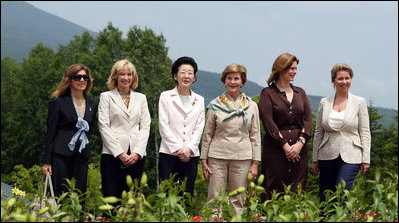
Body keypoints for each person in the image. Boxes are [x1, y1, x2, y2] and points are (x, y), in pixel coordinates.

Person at [200, 63, 261, 216]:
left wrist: (255, 163)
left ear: (242, 81)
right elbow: (207, 134)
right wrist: (203, 160)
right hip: (217, 157)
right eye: (229, 78)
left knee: (238, 200)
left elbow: (255, 136)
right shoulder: (215, 105)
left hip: (243, 157)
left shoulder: (251, 106)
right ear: (224, 80)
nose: (233, 82)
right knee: (214, 199)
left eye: (236, 79)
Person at [311, 63, 371, 202]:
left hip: (352, 154)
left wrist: (366, 159)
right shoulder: (324, 102)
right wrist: (315, 158)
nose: (344, 82)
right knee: (326, 195)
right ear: (333, 81)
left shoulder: (359, 102)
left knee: (342, 190)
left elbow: (365, 132)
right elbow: (318, 132)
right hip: (326, 154)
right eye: (340, 79)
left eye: (347, 78)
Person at [258, 52, 312, 201]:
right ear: (280, 69)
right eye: (291, 68)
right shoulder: (267, 93)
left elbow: (308, 121)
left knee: (297, 190)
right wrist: (285, 146)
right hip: (275, 151)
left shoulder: (300, 92)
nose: (294, 72)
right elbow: (269, 123)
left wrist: (300, 144)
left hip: (299, 152)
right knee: (273, 190)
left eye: (295, 68)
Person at [43, 63, 98, 197]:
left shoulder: (93, 103)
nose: (82, 80)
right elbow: (50, 132)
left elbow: (91, 130)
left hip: (82, 156)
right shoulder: (58, 101)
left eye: (85, 77)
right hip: (61, 156)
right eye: (77, 77)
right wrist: (46, 161)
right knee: (60, 197)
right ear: (69, 80)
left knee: (80, 197)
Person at [98, 59, 151, 198]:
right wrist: (120, 153)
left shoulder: (141, 98)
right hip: (112, 154)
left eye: (129, 74)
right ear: (115, 76)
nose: (126, 78)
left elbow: (145, 127)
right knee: (111, 197)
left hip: (136, 155)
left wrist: (137, 153)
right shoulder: (106, 97)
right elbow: (104, 126)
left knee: (133, 197)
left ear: (133, 77)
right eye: (122, 74)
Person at [158, 56, 205, 204]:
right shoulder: (166, 96)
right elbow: (163, 125)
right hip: (168, 153)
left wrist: (189, 149)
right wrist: (179, 149)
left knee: (186, 195)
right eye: (182, 72)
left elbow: (199, 127)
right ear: (175, 76)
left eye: (190, 73)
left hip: (191, 155)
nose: (186, 76)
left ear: (194, 77)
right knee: (168, 195)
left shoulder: (200, 100)